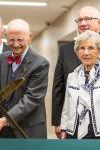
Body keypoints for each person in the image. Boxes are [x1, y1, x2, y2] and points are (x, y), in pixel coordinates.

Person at [0, 19, 49, 138]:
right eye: (11, 39)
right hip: (3, 130)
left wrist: (5, 120)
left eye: (20, 40)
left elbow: (32, 98)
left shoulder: (41, 63)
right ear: (6, 37)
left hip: (29, 129)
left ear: (29, 38)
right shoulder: (1, 59)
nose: (15, 44)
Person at [52, 6, 100, 138]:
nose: (83, 23)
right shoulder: (66, 50)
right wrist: (59, 123)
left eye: (87, 19)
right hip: (74, 125)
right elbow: (59, 88)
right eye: (80, 20)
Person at [61, 30, 100, 139]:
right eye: (82, 48)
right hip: (73, 132)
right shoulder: (72, 76)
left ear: (99, 52)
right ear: (77, 53)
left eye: (91, 48)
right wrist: (64, 128)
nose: (86, 53)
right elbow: (67, 107)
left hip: (97, 133)